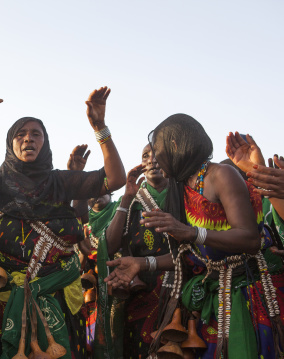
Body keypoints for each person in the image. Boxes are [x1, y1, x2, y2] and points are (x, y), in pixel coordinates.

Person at [0, 79, 126, 359]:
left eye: (36, 134)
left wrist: (100, 128)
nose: (28, 138)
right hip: (4, 302)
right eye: (21, 134)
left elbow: (115, 180)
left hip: (59, 297)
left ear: (45, 142)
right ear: (10, 143)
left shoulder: (61, 181)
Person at [106, 114, 284, 358]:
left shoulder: (220, 175)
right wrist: (142, 263)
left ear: (176, 146)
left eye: (159, 150)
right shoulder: (182, 187)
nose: (155, 159)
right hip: (214, 298)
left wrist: (189, 232)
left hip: (247, 293)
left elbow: (249, 240)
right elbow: (190, 255)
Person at [101, 144, 169, 359]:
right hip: (140, 287)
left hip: (178, 284)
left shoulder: (184, 195)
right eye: (146, 156)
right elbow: (110, 246)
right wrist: (127, 197)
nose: (152, 160)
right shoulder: (133, 201)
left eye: (158, 156)